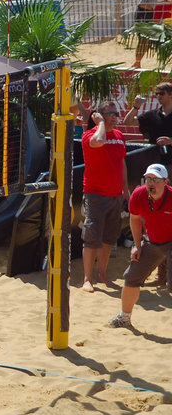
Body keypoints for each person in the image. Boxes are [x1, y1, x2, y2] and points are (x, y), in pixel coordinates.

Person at [107, 164, 172, 328]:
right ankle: (124, 317)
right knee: (131, 277)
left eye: (156, 179)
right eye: (148, 179)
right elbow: (134, 219)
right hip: (153, 241)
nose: (151, 182)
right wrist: (137, 245)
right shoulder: (139, 194)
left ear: (166, 182)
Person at [80, 101, 129, 293]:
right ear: (98, 116)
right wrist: (99, 123)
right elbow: (98, 142)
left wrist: (125, 189)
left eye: (116, 113)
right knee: (92, 238)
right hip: (95, 194)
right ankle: (87, 278)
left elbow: (122, 163)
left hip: (115, 194)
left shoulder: (119, 136)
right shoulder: (90, 135)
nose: (115, 116)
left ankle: (102, 274)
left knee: (109, 238)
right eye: (110, 113)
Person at [123, 82, 172, 151]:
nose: (158, 96)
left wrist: (170, 140)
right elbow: (128, 122)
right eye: (156, 94)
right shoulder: (152, 114)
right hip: (154, 156)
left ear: (170, 94)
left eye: (161, 93)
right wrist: (136, 107)